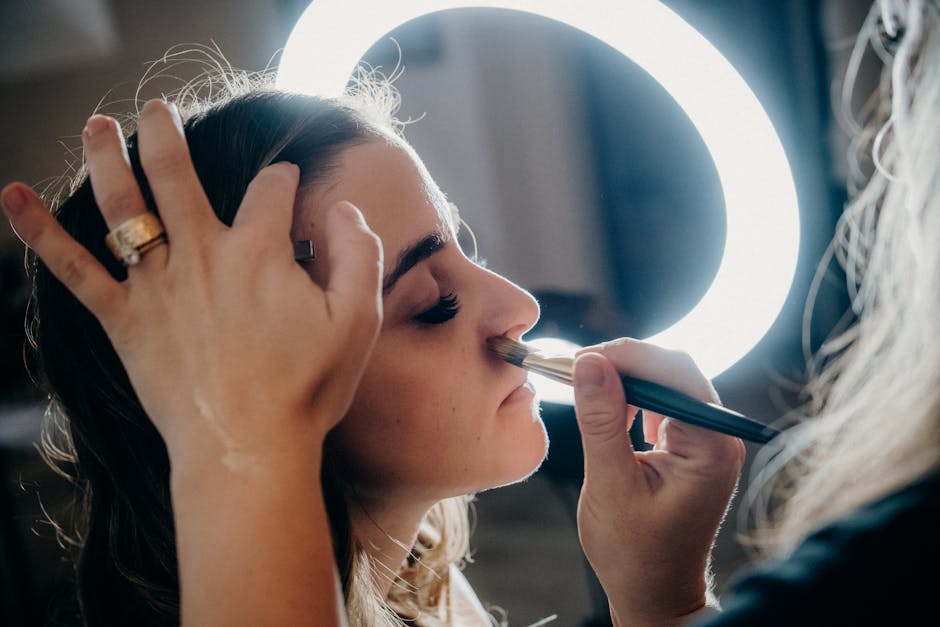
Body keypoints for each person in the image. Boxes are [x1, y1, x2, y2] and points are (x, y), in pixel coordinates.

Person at [2, 0, 936, 624]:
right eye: (432, 302)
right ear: (232, 386)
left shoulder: (428, 600)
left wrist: (658, 595)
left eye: (468, 249)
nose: (521, 304)